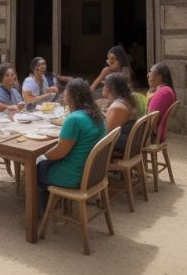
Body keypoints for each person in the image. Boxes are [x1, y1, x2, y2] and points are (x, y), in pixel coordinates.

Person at [36, 78, 106, 215]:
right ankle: (50, 204)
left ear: (74, 97)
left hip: (74, 176)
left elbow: (60, 152)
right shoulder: (97, 114)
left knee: (36, 167)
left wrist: (41, 157)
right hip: (93, 174)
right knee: (44, 162)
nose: (63, 97)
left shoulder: (74, 119)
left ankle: (40, 211)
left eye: (66, 94)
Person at [103, 73, 137, 155]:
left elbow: (106, 135)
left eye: (104, 85)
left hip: (117, 149)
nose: (103, 87)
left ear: (109, 88)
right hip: (125, 144)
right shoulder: (125, 100)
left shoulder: (117, 107)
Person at [147, 62, 177, 144]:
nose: (148, 75)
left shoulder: (163, 92)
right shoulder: (164, 90)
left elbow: (152, 120)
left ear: (160, 76)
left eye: (151, 72)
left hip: (150, 136)